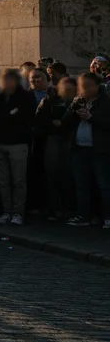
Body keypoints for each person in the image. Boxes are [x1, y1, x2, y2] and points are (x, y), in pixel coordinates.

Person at [0, 69, 36, 224]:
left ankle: (18, 212)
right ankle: (6, 211)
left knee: (18, 180)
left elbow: (24, 118)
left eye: (8, 80)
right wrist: (8, 114)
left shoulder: (25, 97)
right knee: (3, 181)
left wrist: (1, 115)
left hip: (17, 143)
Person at [60, 73, 110, 228]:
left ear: (97, 85)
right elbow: (65, 121)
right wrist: (74, 108)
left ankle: (107, 216)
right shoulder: (78, 100)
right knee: (81, 184)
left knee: (104, 184)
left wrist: (91, 116)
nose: (85, 89)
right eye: (82, 86)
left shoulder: (106, 101)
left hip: (100, 149)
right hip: (79, 148)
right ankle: (84, 215)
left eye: (88, 86)